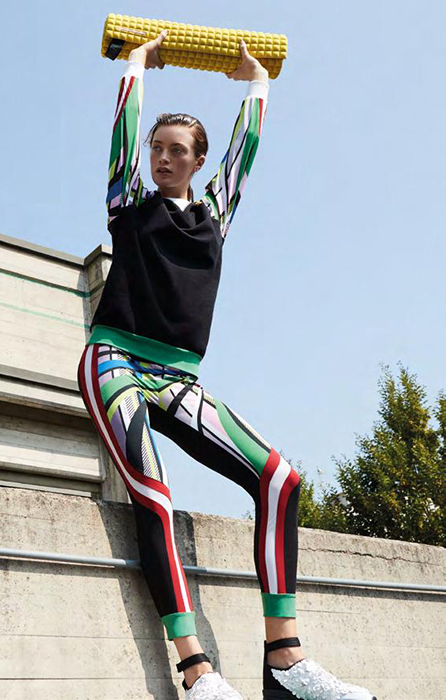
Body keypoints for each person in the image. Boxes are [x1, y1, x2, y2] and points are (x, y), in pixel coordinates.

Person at [76, 30, 377, 700]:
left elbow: (248, 149)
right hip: (114, 360)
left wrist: (257, 83)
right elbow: (120, 136)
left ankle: (285, 662)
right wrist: (136, 65)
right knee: (153, 491)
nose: (162, 158)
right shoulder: (129, 204)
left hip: (178, 379)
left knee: (280, 480)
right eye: (156, 149)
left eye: (177, 151)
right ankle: (197, 671)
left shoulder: (215, 212)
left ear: (199, 161)